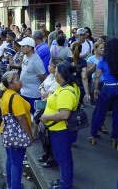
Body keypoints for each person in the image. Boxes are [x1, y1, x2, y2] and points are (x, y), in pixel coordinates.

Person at [40, 60, 80, 189]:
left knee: (63, 158)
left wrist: (46, 117)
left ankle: (65, 185)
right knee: (63, 157)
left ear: (62, 75)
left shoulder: (66, 92)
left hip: (62, 130)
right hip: (58, 130)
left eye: (56, 72)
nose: (54, 73)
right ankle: (65, 180)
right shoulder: (64, 86)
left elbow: (64, 115)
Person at [0, 71, 33, 189]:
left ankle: (11, 184)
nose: (20, 81)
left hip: (6, 131)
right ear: (10, 84)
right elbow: (22, 120)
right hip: (16, 134)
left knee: (11, 159)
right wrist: (30, 135)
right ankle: (15, 186)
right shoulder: (15, 97)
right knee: (17, 163)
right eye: (17, 79)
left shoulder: (5, 94)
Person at [89, 38, 118, 149]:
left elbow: (97, 77)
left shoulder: (103, 60)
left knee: (100, 112)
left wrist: (95, 89)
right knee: (116, 115)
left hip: (107, 88)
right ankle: (114, 138)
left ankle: (93, 135)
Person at [36, 58, 63, 169]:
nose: (48, 67)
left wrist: (43, 91)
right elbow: (41, 88)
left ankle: (52, 158)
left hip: (51, 112)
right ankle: (46, 153)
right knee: (43, 134)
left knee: (49, 137)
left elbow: (45, 94)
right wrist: (43, 91)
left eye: (50, 65)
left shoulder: (58, 82)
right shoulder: (50, 76)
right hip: (44, 108)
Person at [18, 37, 47, 114]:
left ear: (30, 47)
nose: (21, 48)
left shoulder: (36, 60)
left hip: (33, 95)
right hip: (24, 92)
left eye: (23, 46)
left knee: (34, 117)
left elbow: (43, 77)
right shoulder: (25, 56)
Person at [68, 42, 90, 106]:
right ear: (81, 50)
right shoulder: (83, 62)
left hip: (68, 88)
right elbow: (84, 77)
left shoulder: (66, 61)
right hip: (79, 88)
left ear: (70, 49)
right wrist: (87, 93)